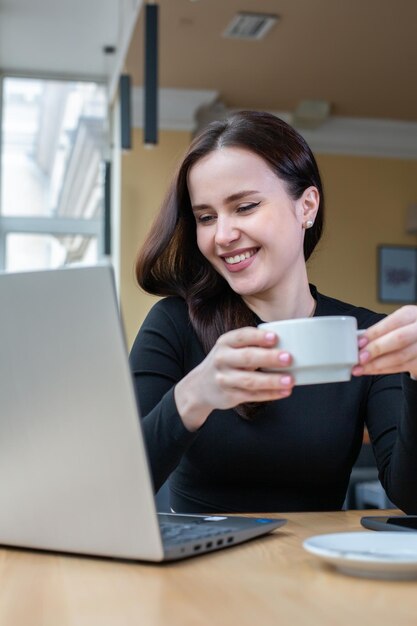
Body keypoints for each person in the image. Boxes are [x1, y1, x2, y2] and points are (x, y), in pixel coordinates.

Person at [129, 110, 417, 514]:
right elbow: (120, 486)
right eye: (205, 217)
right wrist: (195, 394)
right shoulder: (174, 324)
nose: (222, 235)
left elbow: (412, 497)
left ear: (307, 207)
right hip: (197, 571)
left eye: (245, 207)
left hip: (317, 569)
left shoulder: (363, 334)